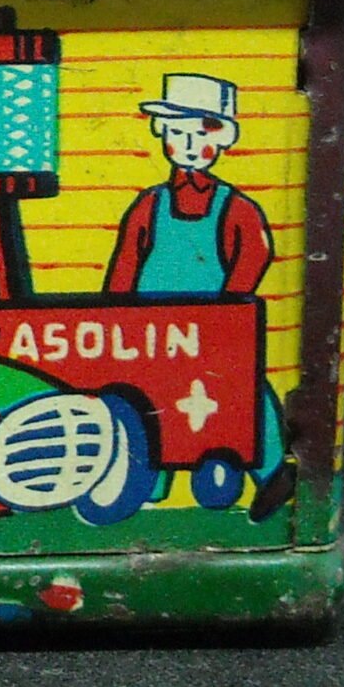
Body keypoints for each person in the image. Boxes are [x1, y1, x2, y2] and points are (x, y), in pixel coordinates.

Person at [102, 73, 292, 519]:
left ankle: (271, 472)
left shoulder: (234, 207)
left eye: (200, 135)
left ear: (221, 140)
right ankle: (147, 482)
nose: (188, 145)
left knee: (243, 387)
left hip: (213, 327)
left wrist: (228, 308)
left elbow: (255, 253)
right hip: (150, 330)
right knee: (144, 394)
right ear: (163, 135)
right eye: (178, 133)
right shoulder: (149, 204)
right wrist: (116, 312)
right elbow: (126, 261)